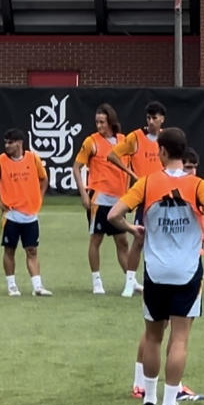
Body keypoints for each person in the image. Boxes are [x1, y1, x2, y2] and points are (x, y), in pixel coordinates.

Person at [106, 128, 204, 405]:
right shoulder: (198, 185)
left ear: (162, 151)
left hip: (155, 271)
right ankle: (170, 402)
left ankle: (149, 398)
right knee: (180, 338)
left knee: (153, 337)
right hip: (186, 271)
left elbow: (113, 214)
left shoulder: (147, 183)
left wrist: (131, 228)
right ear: (183, 152)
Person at [107, 101, 169, 297]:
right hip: (144, 195)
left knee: (165, 240)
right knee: (139, 238)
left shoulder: (167, 138)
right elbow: (112, 155)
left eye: (154, 118)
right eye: (148, 118)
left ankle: (163, 281)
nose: (151, 122)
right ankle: (130, 281)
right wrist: (131, 173)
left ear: (162, 119)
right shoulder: (136, 137)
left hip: (164, 195)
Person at [0, 128, 50, 297]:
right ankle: (12, 285)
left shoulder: (33, 158)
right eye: (5, 142)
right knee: (9, 250)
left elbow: (44, 179)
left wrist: (39, 199)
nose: (7, 146)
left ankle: (37, 286)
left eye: (10, 142)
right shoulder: (0, 162)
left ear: (19, 143)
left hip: (30, 215)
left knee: (32, 250)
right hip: (11, 215)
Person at [76, 104, 133, 294]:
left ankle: (130, 280)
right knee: (96, 239)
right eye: (97, 122)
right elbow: (76, 167)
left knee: (122, 241)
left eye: (102, 122)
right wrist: (84, 193)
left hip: (118, 199)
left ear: (111, 121)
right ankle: (96, 281)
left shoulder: (123, 141)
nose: (99, 125)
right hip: (99, 198)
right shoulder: (91, 141)